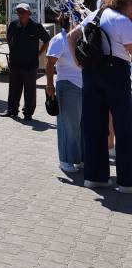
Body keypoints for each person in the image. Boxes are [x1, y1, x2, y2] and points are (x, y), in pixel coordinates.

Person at [68, 0, 132, 191]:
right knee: (124, 128)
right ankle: (126, 182)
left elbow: (71, 36)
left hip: (90, 73)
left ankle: (95, 177)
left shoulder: (96, 14)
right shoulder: (123, 22)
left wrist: (78, 63)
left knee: (94, 125)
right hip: (116, 73)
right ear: (127, 4)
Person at [45, 14, 83, 174]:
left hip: (82, 86)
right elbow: (49, 63)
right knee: (68, 126)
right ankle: (65, 160)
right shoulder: (59, 39)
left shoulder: (78, 38)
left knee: (79, 126)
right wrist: (49, 85)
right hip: (67, 85)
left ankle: (78, 158)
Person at [2, 2, 50, 121]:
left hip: (30, 64)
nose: (20, 14)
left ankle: (28, 113)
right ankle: (12, 110)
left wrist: (39, 53)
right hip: (15, 63)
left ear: (29, 13)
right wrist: (13, 51)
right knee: (14, 89)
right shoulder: (13, 25)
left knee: (30, 90)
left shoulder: (36, 26)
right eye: (18, 12)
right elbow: (9, 39)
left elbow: (47, 40)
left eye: (23, 12)